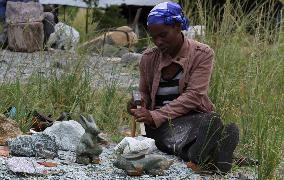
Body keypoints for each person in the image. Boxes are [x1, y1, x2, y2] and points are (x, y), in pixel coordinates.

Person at [128, 1, 239, 173]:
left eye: (163, 35)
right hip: (160, 123)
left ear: (178, 26)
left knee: (206, 123)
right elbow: (143, 91)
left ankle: (206, 152)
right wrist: (139, 103)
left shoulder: (202, 53)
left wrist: (154, 115)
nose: (157, 41)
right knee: (163, 135)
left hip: (192, 117)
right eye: (153, 37)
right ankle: (210, 155)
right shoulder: (148, 57)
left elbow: (194, 95)